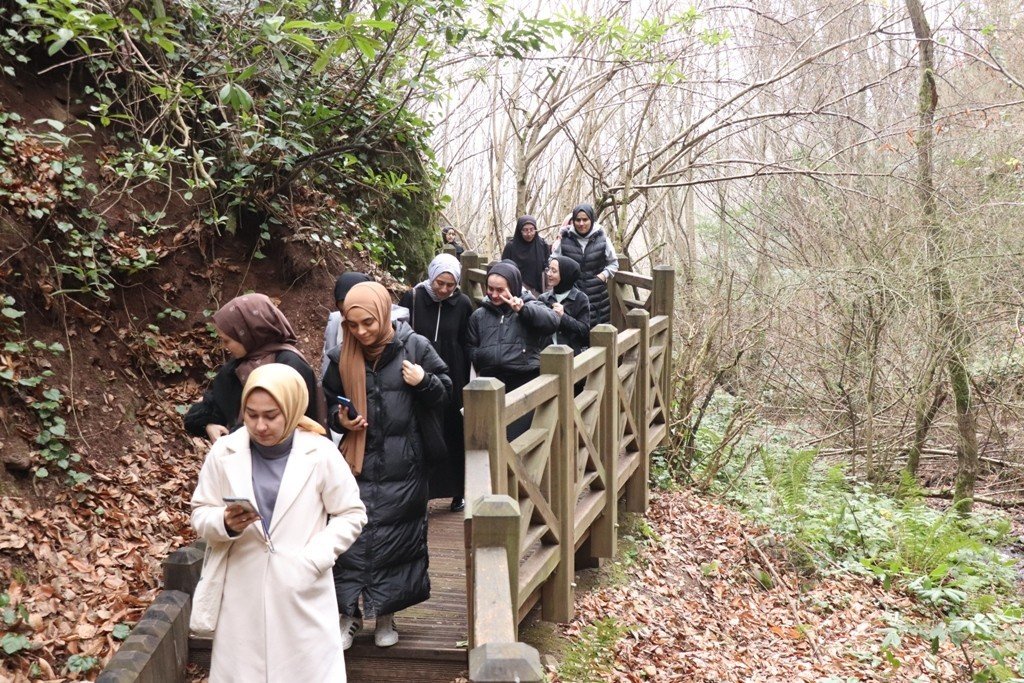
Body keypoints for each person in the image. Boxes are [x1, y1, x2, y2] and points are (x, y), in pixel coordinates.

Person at [190, 363, 367, 682]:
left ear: (293, 407)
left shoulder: (320, 453)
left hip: (302, 588)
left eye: (271, 415)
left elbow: (351, 513)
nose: (259, 425)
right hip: (242, 593)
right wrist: (225, 523)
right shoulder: (224, 452)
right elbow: (201, 512)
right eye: (251, 414)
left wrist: (315, 558)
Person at [323, 282, 452, 650]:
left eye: (367, 323)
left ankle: (386, 616)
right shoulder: (340, 355)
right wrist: (341, 419)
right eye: (352, 325)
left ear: (382, 315)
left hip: (404, 463)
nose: (361, 332)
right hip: (356, 463)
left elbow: (445, 391)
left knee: (397, 542)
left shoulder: (416, 347)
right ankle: (349, 617)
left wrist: (423, 381)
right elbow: (330, 402)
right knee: (351, 542)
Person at [184, 293, 321, 441]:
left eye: (227, 341)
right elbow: (212, 408)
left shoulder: (289, 365)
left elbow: (292, 426)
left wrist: (237, 437)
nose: (224, 347)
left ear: (248, 334)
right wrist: (209, 425)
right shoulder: (238, 366)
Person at [399, 254, 473, 513]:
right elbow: (400, 335)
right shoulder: (414, 298)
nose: (443, 290)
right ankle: (421, 491)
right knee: (421, 431)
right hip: (419, 375)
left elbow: (467, 342)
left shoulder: (463, 304)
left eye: (450, 285)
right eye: (439, 283)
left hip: (452, 376)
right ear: (431, 277)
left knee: (453, 433)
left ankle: (457, 491)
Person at [467, 260, 559, 439]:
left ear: (514, 287)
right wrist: (482, 357)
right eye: (490, 288)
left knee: (519, 439)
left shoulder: (529, 306)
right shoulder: (479, 315)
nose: (494, 295)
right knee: (492, 439)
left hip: (523, 381)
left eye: (500, 290)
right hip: (490, 382)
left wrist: (522, 310)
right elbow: (470, 346)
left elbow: (552, 322)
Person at [322, 273, 412, 379]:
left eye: (368, 322)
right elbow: (328, 361)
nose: (348, 317)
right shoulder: (336, 321)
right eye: (343, 311)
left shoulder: (404, 338)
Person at [552, 203, 619, 326]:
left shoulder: (602, 239)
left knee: (598, 333)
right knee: (573, 330)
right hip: (571, 294)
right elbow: (553, 261)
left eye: (585, 219)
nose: (581, 223)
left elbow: (613, 263)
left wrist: (603, 276)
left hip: (597, 296)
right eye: (578, 220)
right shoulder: (565, 239)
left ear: (591, 220)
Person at [537, 255, 591, 356]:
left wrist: (563, 317)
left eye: (554, 271)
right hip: (546, 355)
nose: (549, 274)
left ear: (566, 274)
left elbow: (584, 330)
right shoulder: (543, 299)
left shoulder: (580, 299)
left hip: (572, 356)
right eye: (549, 269)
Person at [501, 215, 550, 296]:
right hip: (515, 289)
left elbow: (547, 266)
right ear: (520, 231)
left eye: (532, 230)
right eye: (525, 230)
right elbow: (504, 268)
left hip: (538, 289)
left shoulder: (542, 244)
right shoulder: (510, 247)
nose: (529, 233)